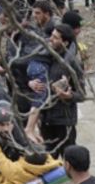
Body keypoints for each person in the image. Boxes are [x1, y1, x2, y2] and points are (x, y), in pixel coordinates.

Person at [36, 24, 84, 157]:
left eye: (55, 38)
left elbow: (82, 95)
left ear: (65, 42)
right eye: (51, 35)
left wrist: (68, 96)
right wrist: (32, 83)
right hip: (46, 117)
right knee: (50, 158)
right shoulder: (45, 56)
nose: (50, 39)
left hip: (64, 120)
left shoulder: (73, 63)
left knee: (69, 158)